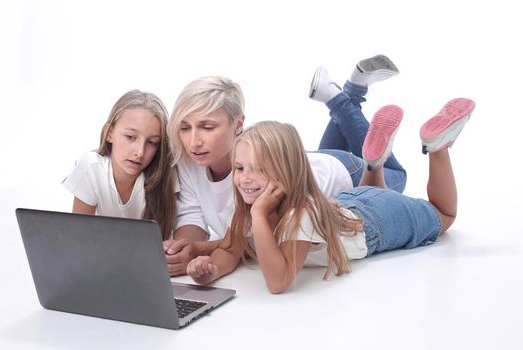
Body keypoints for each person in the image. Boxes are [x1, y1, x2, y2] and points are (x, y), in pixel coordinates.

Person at [185, 97, 475, 294]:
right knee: (374, 194)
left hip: (377, 222)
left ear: (286, 170)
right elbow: (231, 247)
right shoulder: (253, 204)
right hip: (349, 204)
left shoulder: (298, 214)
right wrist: (208, 270)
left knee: (443, 214)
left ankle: (437, 147)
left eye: (258, 169)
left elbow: (278, 282)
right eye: (239, 168)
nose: (244, 178)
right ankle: (373, 164)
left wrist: (260, 216)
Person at [164, 55, 407, 276]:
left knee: (395, 175)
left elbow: (259, 244)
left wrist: (202, 252)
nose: (193, 141)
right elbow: (192, 220)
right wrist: (179, 254)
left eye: (207, 127)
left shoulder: (268, 179)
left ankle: (339, 99)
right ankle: (350, 91)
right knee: (335, 144)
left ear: (238, 125)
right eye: (184, 128)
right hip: (308, 158)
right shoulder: (188, 164)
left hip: (341, 172)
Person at [62, 89, 178, 240]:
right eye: (130, 137)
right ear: (109, 133)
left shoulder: (168, 174)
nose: (140, 152)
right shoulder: (91, 167)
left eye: (152, 142)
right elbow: (78, 236)